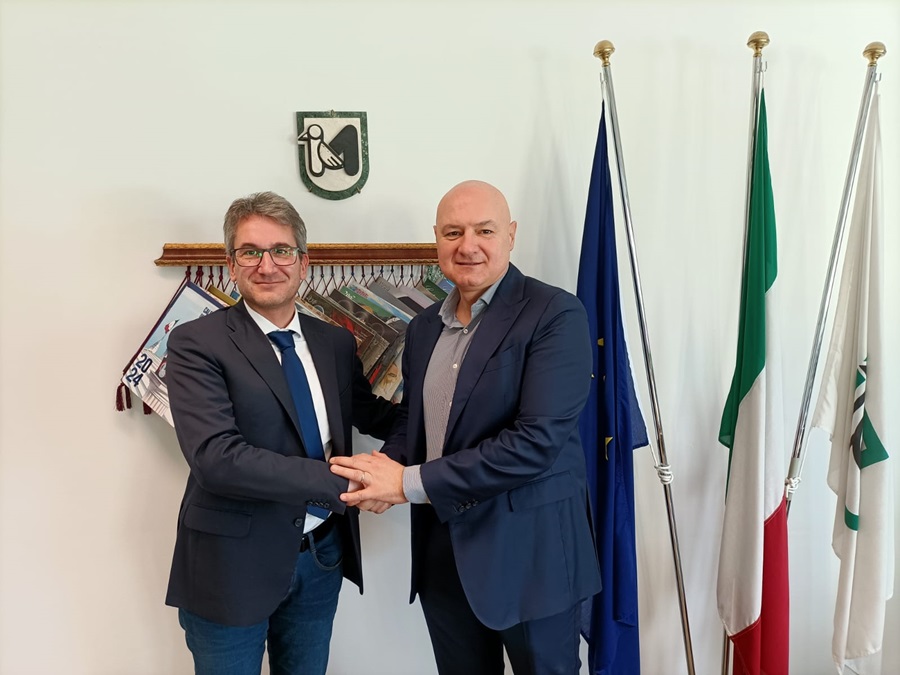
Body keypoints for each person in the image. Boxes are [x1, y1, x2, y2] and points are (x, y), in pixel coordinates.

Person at [330, 180, 601, 675]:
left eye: (485, 230)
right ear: (436, 239)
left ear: (511, 235)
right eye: (453, 232)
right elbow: (416, 419)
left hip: (531, 556)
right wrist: (383, 469)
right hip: (443, 551)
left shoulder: (555, 314)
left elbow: (534, 443)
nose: (467, 245)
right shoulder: (423, 328)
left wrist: (406, 483)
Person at [164, 191, 396, 675]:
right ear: (231, 265)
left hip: (321, 555)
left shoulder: (335, 342)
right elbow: (217, 458)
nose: (267, 265)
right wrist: (350, 483)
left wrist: (437, 429)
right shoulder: (195, 342)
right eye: (250, 251)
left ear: (303, 262)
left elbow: (371, 415)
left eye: (281, 250)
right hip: (231, 564)